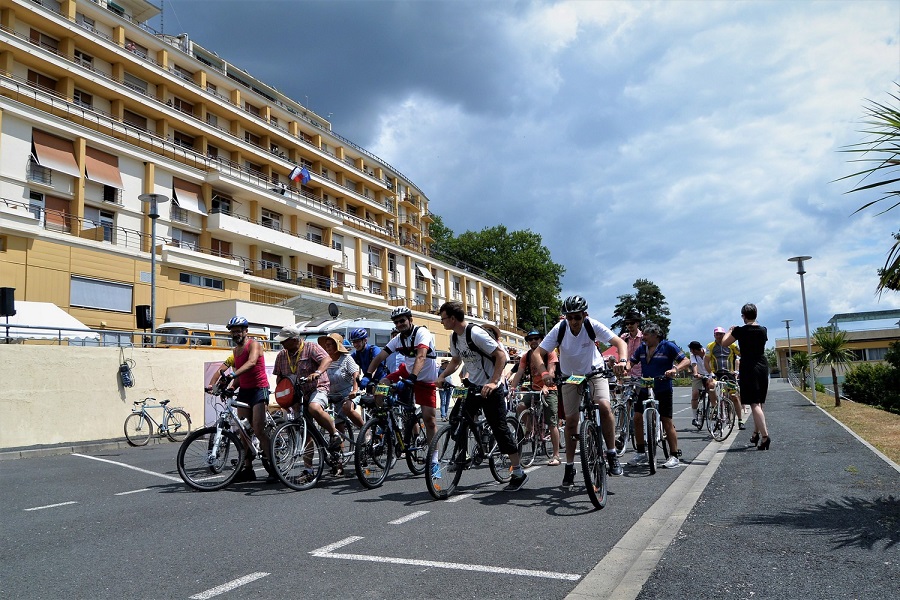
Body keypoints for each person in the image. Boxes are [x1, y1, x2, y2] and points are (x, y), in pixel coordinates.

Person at [533, 295, 628, 489]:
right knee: (571, 421)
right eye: (570, 317)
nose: (574, 321)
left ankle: (611, 453)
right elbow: (537, 353)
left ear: (585, 315)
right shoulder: (560, 329)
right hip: (570, 377)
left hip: (594, 372)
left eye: (577, 317)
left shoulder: (592, 325)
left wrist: (623, 361)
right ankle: (569, 466)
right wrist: (544, 372)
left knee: (603, 405)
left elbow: (620, 343)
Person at [435, 300, 528, 491]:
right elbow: (455, 360)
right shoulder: (454, 337)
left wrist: (494, 382)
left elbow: (501, 356)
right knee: (458, 420)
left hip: (491, 388)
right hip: (474, 387)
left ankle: (518, 472)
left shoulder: (475, 333)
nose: (442, 322)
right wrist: (443, 375)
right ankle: (463, 456)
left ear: (453, 318)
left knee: (500, 428)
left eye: (443, 318)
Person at [364, 306, 439, 461]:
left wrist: (413, 378)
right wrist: (368, 375)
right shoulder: (397, 339)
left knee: (429, 420)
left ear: (410, 320)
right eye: (396, 322)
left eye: (402, 321)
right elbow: (379, 358)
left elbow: (421, 357)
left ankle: (434, 459)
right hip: (407, 372)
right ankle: (382, 419)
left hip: (425, 378)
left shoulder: (421, 333)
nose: (399, 324)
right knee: (382, 384)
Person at [271, 324, 343, 461]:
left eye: (284, 340)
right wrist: (285, 398)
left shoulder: (311, 347)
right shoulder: (281, 355)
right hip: (297, 395)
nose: (281, 343)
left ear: (294, 339)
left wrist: (317, 372)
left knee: (314, 408)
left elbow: (327, 359)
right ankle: (308, 471)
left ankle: (335, 434)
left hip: (317, 388)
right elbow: (279, 379)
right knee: (305, 431)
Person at [626, 322, 691, 469]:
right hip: (645, 386)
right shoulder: (642, 348)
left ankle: (674, 455)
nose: (643, 338)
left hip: (663, 387)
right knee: (636, 417)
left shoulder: (667, 346)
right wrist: (626, 367)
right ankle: (641, 453)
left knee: (666, 420)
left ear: (656, 335)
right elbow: (632, 361)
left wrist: (675, 369)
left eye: (646, 335)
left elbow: (685, 361)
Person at [217, 316, 272, 483]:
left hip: (259, 390)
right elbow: (240, 376)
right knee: (243, 430)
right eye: (233, 332)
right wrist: (231, 386)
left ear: (245, 331)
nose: (236, 334)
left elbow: (252, 362)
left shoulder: (254, 345)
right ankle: (248, 469)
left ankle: (273, 467)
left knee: (258, 429)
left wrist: (233, 374)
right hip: (245, 391)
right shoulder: (235, 351)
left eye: (238, 331)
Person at [721, 303, 771, 450]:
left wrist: (730, 331)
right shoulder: (763, 330)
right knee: (759, 402)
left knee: (754, 404)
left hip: (749, 366)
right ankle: (756, 433)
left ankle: (765, 436)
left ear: (743, 316)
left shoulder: (740, 331)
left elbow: (724, 343)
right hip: (762, 364)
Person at [509, 330, 561, 466]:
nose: (533, 341)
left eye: (536, 338)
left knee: (552, 423)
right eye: (530, 339)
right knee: (520, 406)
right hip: (534, 389)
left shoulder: (549, 352)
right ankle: (530, 427)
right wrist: (513, 388)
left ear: (542, 340)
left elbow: (551, 370)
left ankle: (556, 455)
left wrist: (546, 386)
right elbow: (519, 372)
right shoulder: (526, 356)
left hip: (550, 390)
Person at [318, 332, 362, 475]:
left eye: (330, 344)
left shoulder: (346, 358)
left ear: (337, 346)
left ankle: (365, 429)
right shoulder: (326, 360)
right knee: (335, 428)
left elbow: (356, 374)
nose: (327, 347)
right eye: (326, 345)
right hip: (331, 396)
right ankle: (339, 462)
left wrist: (355, 389)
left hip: (347, 394)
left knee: (347, 407)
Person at [705, 326, 746, 430]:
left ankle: (740, 420)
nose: (719, 336)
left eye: (721, 334)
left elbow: (742, 354)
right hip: (716, 373)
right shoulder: (710, 346)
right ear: (714, 335)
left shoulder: (732, 345)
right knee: (711, 385)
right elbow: (706, 361)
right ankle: (715, 407)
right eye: (717, 334)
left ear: (724, 335)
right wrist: (710, 373)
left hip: (729, 374)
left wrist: (737, 371)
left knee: (734, 396)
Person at [688, 341, 715, 427]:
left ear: (695, 350)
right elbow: (694, 364)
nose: (690, 351)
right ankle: (694, 417)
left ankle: (714, 410)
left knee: (713, 390)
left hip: (710, 375)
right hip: (699, 375)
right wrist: (696, 373)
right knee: (695, 393)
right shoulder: (693, 356)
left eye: (691, 350)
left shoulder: (708, 352)